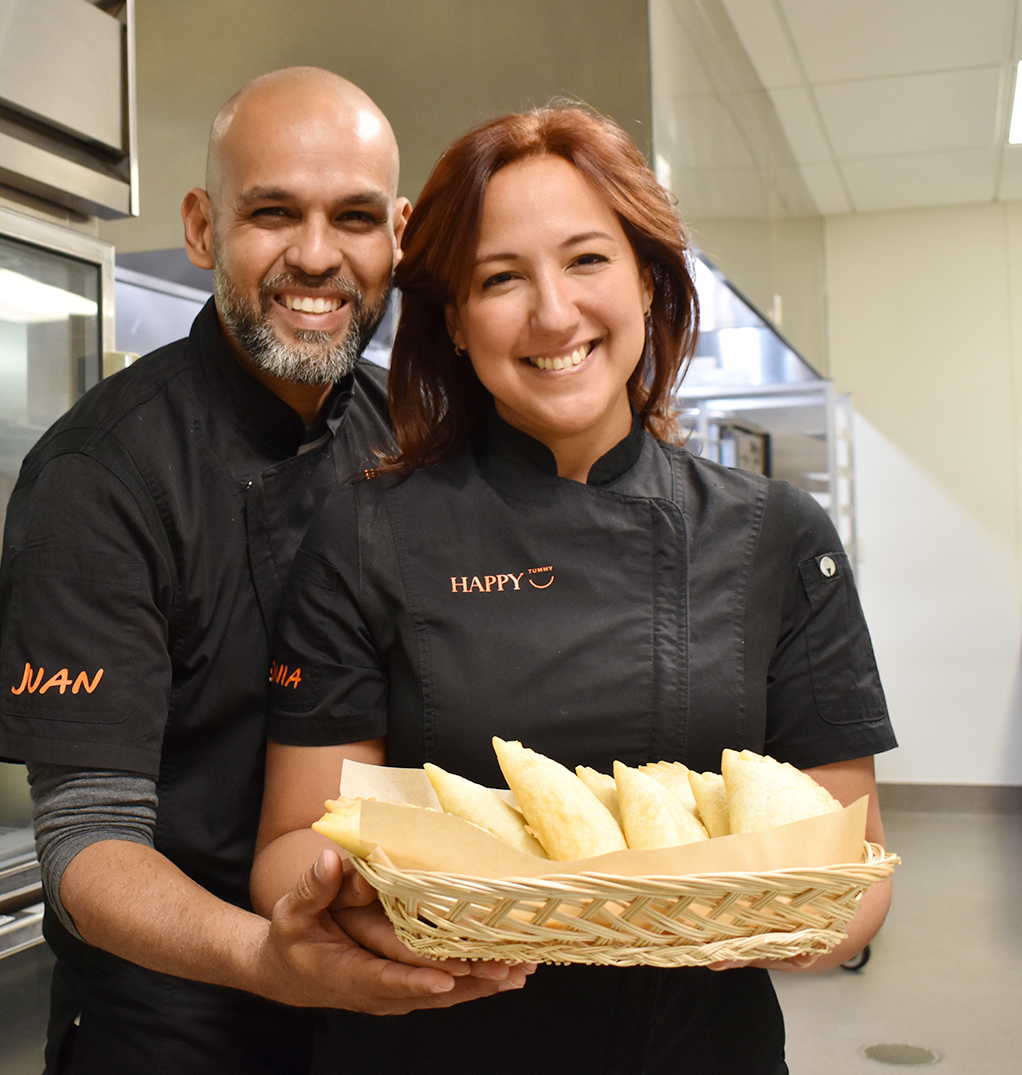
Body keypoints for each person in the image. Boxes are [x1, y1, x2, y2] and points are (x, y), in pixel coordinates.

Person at [252, 104, 897, 1073]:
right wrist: (344, 896)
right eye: (500, 278)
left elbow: (855, 854)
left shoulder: (776, 539)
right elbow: (292, 842)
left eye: (587, 260)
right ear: (457, 325)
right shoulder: (366, 533)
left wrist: (816, 923)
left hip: (696, 1049)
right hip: (431, 1044)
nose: (553, 314)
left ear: (646, 278)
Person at [0, 68, 529, 1075]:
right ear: (201, 228)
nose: (316, 256)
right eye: (272, 213)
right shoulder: (99, 476)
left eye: (353, 217)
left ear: (398, 235)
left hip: (398, 1021)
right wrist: (268, 958)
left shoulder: (416, 435)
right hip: (178, 1023)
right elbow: (86, 844)